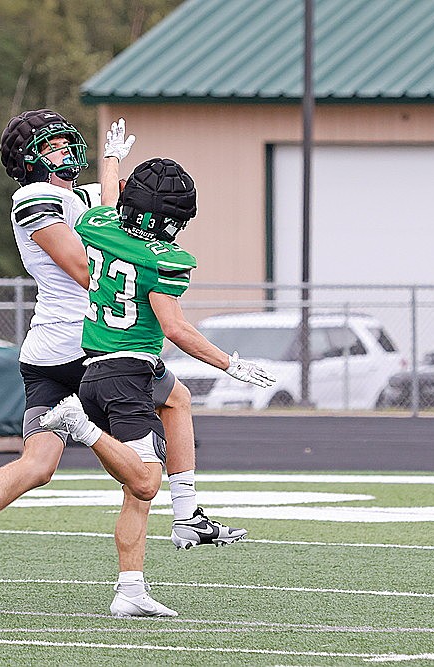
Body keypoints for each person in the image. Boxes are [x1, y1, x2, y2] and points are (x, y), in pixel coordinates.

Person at [0, 110, 248, 617]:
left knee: (39, 466)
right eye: (54, 146)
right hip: (86, 348)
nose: (65, 152)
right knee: (146, 464)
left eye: (66, 142)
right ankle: (168, 534)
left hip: (45, 354)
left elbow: (108, 212)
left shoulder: (76, 197)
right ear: (29, 159)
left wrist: (111, 162)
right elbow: (86, 267)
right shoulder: (32, 198)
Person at [38, 155, 277, 611]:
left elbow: (110, 199)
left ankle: (149, 566)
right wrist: (230, 364)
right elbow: (175, 329)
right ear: (161, 217)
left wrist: (110, 161)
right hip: (125, 375)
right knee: (146, 483)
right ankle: (79, 426)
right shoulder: (164, 258)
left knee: (179, 400)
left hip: (104, 365)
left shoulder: (97, 223)